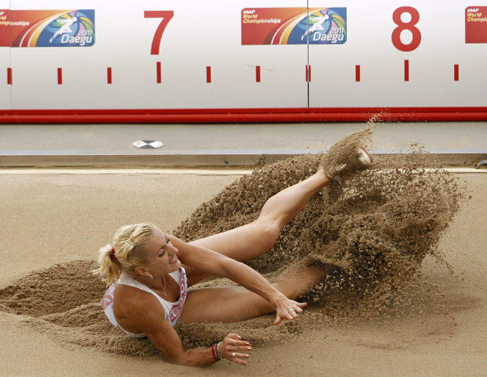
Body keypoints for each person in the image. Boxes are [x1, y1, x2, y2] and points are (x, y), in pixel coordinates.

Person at [95, 136, 373, 367]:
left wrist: (273, 297)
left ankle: (327, 172)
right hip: (168, 309)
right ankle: (342, 256)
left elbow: (225, 266)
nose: (172, 250)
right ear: (142, 270)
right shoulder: (139, 305)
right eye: (162, 252)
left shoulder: (167, 250)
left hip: (164, 279)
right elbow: (179, 357)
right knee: (284, 293)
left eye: (167, 241)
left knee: (262, 235)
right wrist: (218, 350)